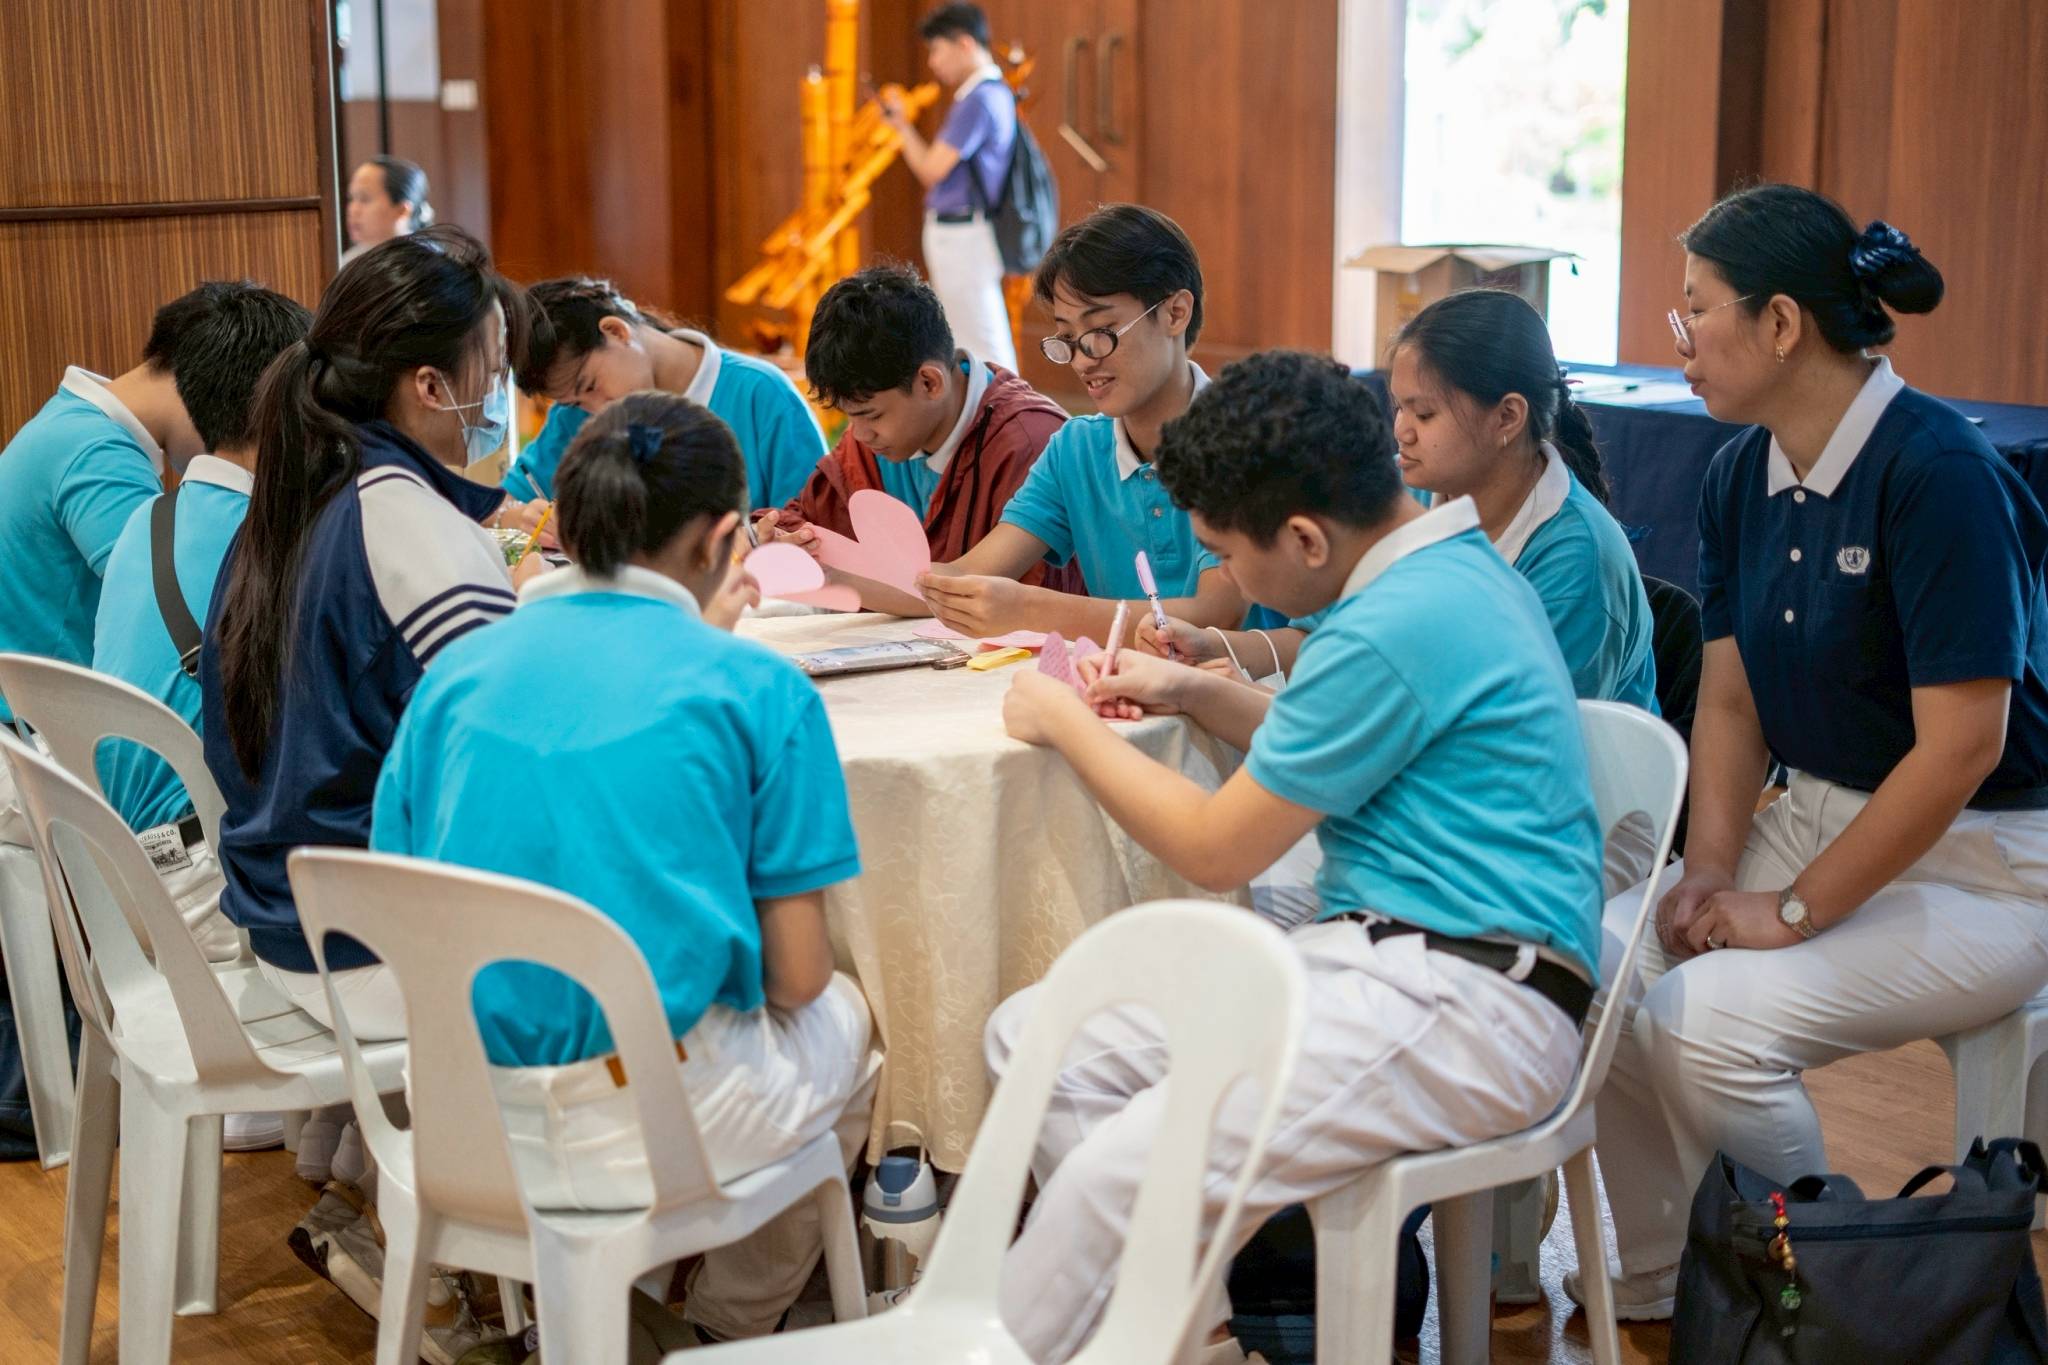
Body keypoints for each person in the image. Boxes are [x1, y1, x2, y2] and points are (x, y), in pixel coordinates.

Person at [989, 351, 1603, 1362]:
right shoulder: (1436, 568)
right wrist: (1192, 690)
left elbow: (1213, 843)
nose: (1223, 581)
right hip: (1401, 960)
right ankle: (1194, 1335)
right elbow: (1324, 742)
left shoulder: (1393, 623)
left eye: (1224, 555)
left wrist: (1063, 720)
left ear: (1307, 538)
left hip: (1470, 999)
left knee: (1118, 1173)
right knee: (1039, 1040)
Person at [1583, 185, 2048, 1323]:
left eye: (1693, 312)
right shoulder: (1738, 472)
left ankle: (1813, 1307)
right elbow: (1731, 706)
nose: (1676, 341)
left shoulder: (1935, 473)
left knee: (1708, 1024)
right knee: (1598, 964)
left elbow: (1958, 752)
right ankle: (1663, 1283)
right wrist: (1707, 869)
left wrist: (1788, 912)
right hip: (1814, 818)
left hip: (1985, 857)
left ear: (1781, 324)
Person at [374, 392, 876, 1346]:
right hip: (652, 1125)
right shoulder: (756, 688)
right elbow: (796, 977)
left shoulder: (455, 677)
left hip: (460, 1117)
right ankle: (729, 1326)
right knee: (850, 1017)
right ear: (725, 539)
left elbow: (401, 894)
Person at [201, 225, 523, 1349]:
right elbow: (525, 754)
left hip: (281, 894)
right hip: (367, 935)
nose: (501, 391)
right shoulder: (408, 526)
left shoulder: (293, 497)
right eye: (494, 361)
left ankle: (384, 1194)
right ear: (431, 383)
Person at [1149, 289, 1658, 717]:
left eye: (1425, 413)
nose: (1401, 431)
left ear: (1506, 418)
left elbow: (1502, 742)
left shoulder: (1578, 562)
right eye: (1397, 407)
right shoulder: (1413, 491)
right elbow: (1325, 640)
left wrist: (1240, 700)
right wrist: (1217, 647)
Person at [90, 283, 312, 970]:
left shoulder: (147, 521)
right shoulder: (265, 547)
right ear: (291, 401)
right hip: (207, 894)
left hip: (116, 880)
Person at [915, 204, 1247, 640]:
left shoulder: (1243, 442)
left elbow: (1214, 613)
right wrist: (827, 568)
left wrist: (1032, 608)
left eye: (1100, 332)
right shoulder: (1076, 449)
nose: (1082, 361)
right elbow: (965, 577)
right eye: (1067, 339)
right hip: (1130, 693)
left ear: (1175, 313)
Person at [763, 262, 1079, 592]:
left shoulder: (1030, 442)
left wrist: (831, 574)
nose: (858, 434)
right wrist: (776, 538)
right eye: (850, 416)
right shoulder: (874, 440)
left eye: (871, 416)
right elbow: (806, 521)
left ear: (929, 382)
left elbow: (1010, 598)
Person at [502, 277, 826, 518]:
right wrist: (519, 516)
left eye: (590, 386)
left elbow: (814, 529)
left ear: (616, 331)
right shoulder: (574, 414)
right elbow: (499, 503)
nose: (596, 410)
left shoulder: (760, 393)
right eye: (575, 402)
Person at [883, 3, 1018, 369]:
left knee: (981, 339)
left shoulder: (979, 99)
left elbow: (931, 168)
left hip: (963, 233)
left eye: (937, 49)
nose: (933, 62)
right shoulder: (991, 93)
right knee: (971, 334)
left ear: (964, 44)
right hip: (966, 231)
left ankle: (1010, 418)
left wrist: (901, 128)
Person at [341, 155, 433, 266]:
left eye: (364, 199)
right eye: (352, 198)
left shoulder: (428, 263)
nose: (352, 209)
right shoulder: (349, 260)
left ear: (401, 210)